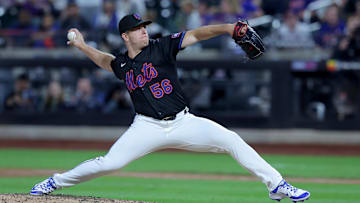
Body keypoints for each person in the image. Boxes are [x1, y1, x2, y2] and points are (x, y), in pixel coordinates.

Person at [30, 13, 310, 202]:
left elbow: (198, 34)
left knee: (231, 140)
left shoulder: (162, 47)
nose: (144, 31)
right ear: (125, 36)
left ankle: (276, 185)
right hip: (146, 126)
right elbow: (105, 60)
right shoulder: (123, 63)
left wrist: (227, 28)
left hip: (184, 122)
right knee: (110, 162)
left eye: (144, 27)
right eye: (138, 29)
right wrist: (80, 45)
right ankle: (54, 182)